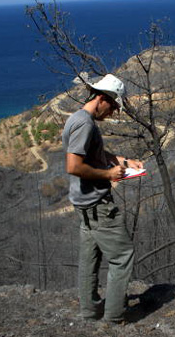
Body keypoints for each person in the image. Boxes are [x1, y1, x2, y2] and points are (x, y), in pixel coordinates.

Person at [61, 73, 143, 323]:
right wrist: (108, 174)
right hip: (98, 206)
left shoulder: (78, 119)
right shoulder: (85, 124)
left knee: (90, 260)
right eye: (114, 106)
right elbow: (74, 166)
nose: (113, 113)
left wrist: (123, 161)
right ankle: (114, 317)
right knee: (122, 256)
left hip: (84, 206)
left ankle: (90, 312)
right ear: (102, 98)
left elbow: (92, 153)